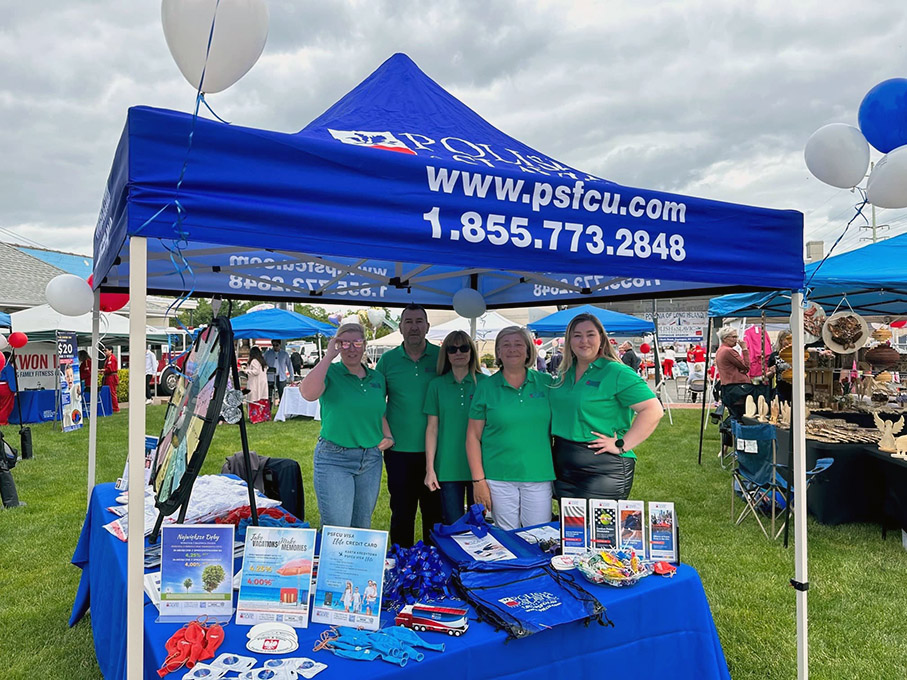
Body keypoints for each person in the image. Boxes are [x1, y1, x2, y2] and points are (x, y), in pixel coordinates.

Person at [549, 313, 664, 500]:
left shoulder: (616, 372)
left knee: (598, 529)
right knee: (571, 528)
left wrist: (621, 445)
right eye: (577, 335)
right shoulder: (565, 373)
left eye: (590, 334)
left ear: (601, 339)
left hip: (601, 470)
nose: (584, 341)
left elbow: (653, 410)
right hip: (563, 467)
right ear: (569, 341)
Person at [301, 322, 393, 529]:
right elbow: (307, 393)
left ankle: (357, 563)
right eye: (345, 343)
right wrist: (327, 357)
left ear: (364, 345)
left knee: (362, 525)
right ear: (337, 345)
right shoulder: (330, 372)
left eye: (357, 342)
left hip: (370, 459)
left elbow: (378, 412)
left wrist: (388, 437)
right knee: (337, 527)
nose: (352, 348)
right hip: (335, 458)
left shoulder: (377, 378)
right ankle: (334, 563)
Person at [466, 326, 554, 531]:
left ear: (528, 350)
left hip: (538, 474)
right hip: (498, 477)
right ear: (498, 352)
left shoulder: (547, 383)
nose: (512, 349)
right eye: (505, 344)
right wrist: (478, 481)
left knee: (539, 536)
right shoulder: (486, 387)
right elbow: (472, 436)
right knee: (506, 538)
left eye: (518, 344)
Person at [375, 304, 442, 547]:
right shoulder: (388, 360)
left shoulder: (440, 357)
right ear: (400, 327)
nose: (414, 326)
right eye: (408, 321)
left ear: (427, 326)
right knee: (402, 512)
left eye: (419, 321)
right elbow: (375, 402)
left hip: (435, 451)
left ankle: (433, 567)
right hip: (399, 451)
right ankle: (401, 565)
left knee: (434, 513)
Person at [423, 331, 487, 525]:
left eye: (464, 347)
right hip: (448, 467)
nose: (458, 352)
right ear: (446, 354)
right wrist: (430, 468)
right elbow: (432, 429)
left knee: (480, 527)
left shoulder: (485, 383)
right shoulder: (436, 385)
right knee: (454, 527)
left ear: (471, 351)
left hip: (480, 467)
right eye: (452, 349)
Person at [715, 326, 753, 418]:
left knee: (735, 414)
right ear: (725, 338)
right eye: (734, 337)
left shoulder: (720, 350)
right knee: (741, 415)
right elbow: (746, 366)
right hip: (737, 388)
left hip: (729, 387)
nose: (737, 339)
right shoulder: (729, 351)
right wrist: (744, 349)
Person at [245, 346, 270, 423]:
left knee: (254, 399)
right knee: (262, 399)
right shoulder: (262, 361)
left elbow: (256, 371)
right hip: (262, 382)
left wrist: (246, 371)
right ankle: (263, 416)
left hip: (255, 383)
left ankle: (255, 418)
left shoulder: (254, 361)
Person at [768, 329, 793, 404]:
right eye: (787, 339)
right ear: (781, 340)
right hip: (780, 389)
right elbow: (769, 375)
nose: (789, 342)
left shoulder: (795, 353)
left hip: (794, 389)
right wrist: (771, 371)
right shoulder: (774, 355)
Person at [0, 353, 17, 426]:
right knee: (5, 405)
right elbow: (11, 378)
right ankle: (2, 422)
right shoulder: (7, 366)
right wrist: (14, 389)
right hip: (5, 387)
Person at [102, 347, 120, 413]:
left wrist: (103, 370)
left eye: (106, 351)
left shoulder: (112, 358)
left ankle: (115, 408)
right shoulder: (108, 359)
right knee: (109, 392)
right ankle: (111, 407)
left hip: (111, 377)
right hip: (108, 377)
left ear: (110, 350)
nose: (105, 352)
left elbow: (110, 369)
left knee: (112, 392)